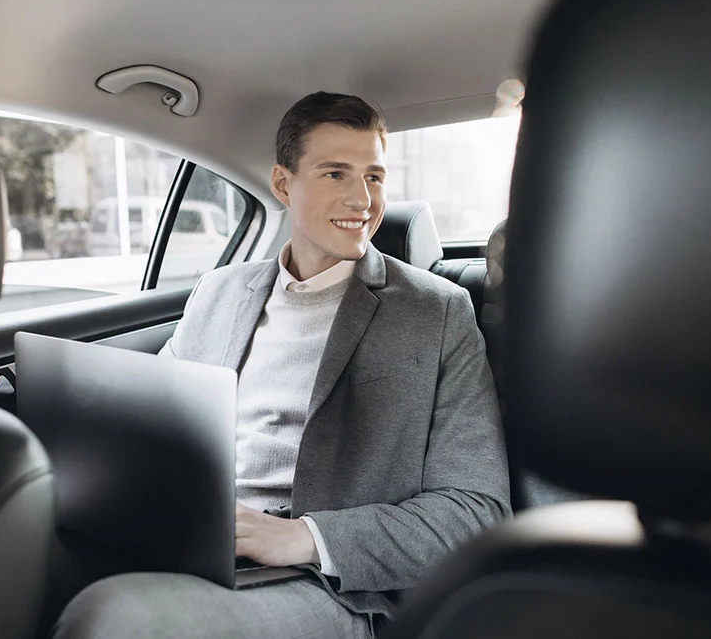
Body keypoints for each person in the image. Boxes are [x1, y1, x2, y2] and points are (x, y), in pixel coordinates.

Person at [53, 92, 511, 638]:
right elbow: (155, 425)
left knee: (123, 621)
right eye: (336, 173)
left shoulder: (436, 311)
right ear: (282, 184)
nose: (362, 199)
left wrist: (303, 537)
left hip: (325, 584)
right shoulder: (219, 292)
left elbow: (476, 513)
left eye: (374, 177)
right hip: (192, 538)